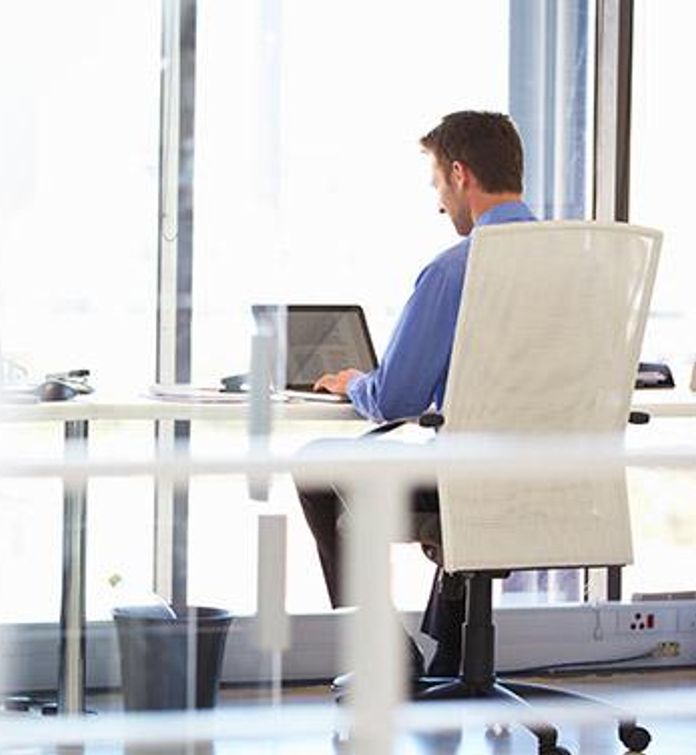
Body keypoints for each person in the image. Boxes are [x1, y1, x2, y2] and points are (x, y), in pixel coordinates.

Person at [295, 110, 537, 679]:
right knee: (455, 476)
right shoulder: (581, 266)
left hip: (470, 482)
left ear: (460, 175)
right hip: (563, 475)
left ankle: (390, 656)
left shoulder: (456, 271)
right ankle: (452, 655)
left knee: (315, 468)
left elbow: (397, 397)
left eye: (437, 185)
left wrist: (356, 382)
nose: (438, 203)